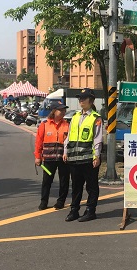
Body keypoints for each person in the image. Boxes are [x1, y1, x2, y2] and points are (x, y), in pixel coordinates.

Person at [63, 88, 103, 222]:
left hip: (89, 158)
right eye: (79, 98)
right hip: (74, 158)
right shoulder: (75, 116)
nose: (81, 100)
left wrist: (96, 156)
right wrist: (65, 151)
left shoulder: (96, 118)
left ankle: (90, 211)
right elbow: (69, 136)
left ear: (91, 101)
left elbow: (98, 139)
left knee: (91, 186)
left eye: (83, 98)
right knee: (76, 186)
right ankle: (74, 210)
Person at [34, 101, 71, 211]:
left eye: (64, 110)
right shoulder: (44, 125)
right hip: (48, 159)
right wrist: (37, 156)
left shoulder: (67, 125)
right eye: (61, 110)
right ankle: (44, 202)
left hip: (63, 159)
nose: (63, 112)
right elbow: (38, 142)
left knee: (64, 181)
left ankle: (60, 201)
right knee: (47, 181)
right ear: (54, 111)